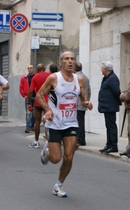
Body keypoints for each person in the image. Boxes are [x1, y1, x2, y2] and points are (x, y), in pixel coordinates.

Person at [37, 50, 93, 198]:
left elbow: (82, 98)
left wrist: (86, 103)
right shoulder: (53, 78)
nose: (70, 61)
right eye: (67, 59)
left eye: (72, 59)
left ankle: (59, 185)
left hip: (72, 123)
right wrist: (48, 110)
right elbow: (39, 95)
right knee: (56, 159)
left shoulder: (79, 79)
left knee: (69, 157)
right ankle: (47, 152)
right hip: (55, 123)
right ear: (61, 62)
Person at [28, 63, 57, 148]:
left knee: (37, 122)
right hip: (49, 101)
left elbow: (31, 91)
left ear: (37, 70)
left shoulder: (35, 77)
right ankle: (49, 141)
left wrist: (29, 102)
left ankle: (36, 141)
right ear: (44, 69)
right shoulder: (50, 75)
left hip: (38, 101)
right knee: (49, 121)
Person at [97, 61, 121, 154]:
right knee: (108, 126)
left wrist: (118, 102)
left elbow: (116, 92)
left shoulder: (112, 78)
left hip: (110, 106)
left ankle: (114, 145)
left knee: (111, 126)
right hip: (106, 106)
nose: (101, 69)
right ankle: (109, 144)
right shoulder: (107, 78)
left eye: (102, 68)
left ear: (106, 69)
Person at [74, 62, 91, 148]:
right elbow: (89, 90)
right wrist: (87, 101)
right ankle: (82, 139)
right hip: (84, 103)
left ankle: (80, 139)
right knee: (81, 121)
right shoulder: (86, 78)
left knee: (79, 122)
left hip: (78, 103)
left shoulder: (76, 78)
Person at [19, 64, 35, 133]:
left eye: (31, 68)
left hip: (35, 97)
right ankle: (28, 127)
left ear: (33, 69)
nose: (29, 69)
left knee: (34, 113)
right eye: (28, 68)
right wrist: (24, 95)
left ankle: (32, 126)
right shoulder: (24, 78)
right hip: (28, 97)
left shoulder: (36, 77)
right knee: (28, 113)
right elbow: (21, 87)